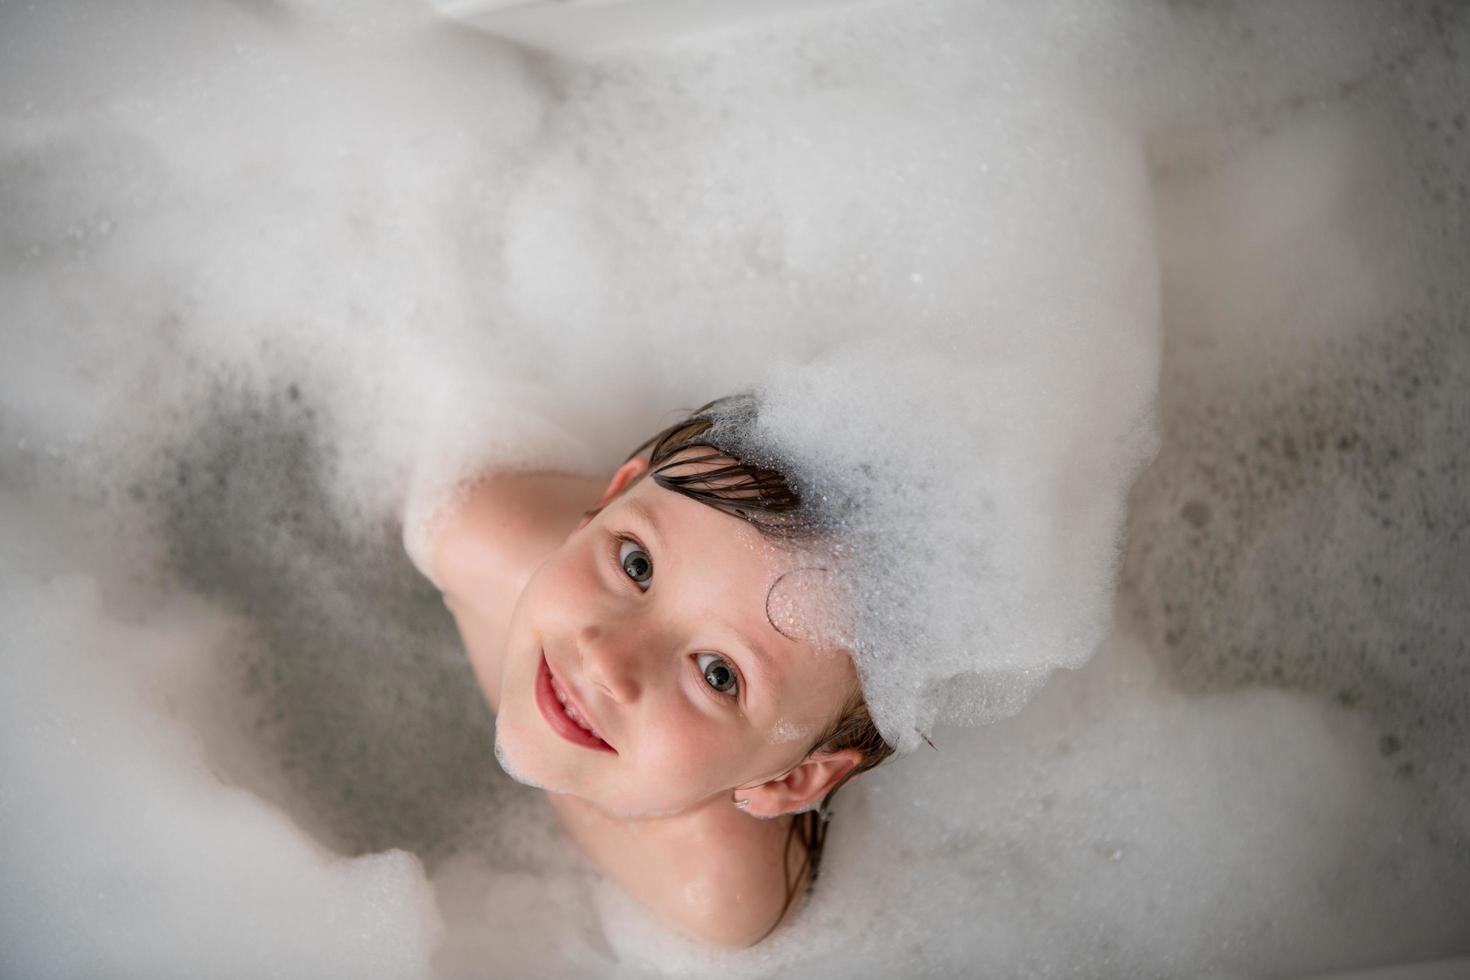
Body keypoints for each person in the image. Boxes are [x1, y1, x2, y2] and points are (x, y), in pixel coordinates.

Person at [414, 396, 894, 947]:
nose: (606, 660)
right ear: (609, 500)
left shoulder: (720, 896)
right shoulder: (473, 537)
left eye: (718, 675)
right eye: (635, 564)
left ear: (787, 780)